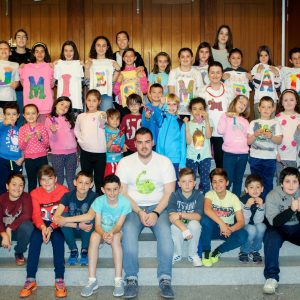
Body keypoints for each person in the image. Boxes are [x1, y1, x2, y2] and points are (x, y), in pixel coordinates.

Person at [116, 127, 176, 299]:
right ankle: (131, 279)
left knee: (165, 234)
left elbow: (169, 193)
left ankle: (165, 279)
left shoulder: (164, 162)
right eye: (140, 142)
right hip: (133, 208)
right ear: (134, 143)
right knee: (127, 233)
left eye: (147, 142)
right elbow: (123, 193)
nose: (143, 146)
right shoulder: (125, 162)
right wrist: (139, 211)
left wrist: (156, 213)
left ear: (153, 142)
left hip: (159, 207)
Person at [54, 174, 131, 298]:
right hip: (101, 231)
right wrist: (103, 234)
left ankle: (118, 280)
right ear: (103, 190)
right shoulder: (99, 201)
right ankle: (92, 280)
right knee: (94, 237)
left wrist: (111, 233)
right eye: (109, 190)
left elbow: (119, 225)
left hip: (115, 231)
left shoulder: (125, 203)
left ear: (120, 189)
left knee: (116, 239)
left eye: (115, 189)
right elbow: (97, 225)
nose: (112, 193)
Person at [19, 165, 69, 298]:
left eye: (50, 179)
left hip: (57, 224)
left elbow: (64, 214)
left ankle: (59, 279)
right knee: (35, 240)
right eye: (43, 180)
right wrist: (42, 228)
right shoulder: (35, 193)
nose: (47, 182)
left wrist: (51, 227)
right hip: (41, 223)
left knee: (58, 240)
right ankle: (30, 278)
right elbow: (35, 215)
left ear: (56, 179)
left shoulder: (64, 191)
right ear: (39, 181)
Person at [263, 167, 300, 294]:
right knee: (270, 236)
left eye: (295, 181)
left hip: (297, 227)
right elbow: (275, 222)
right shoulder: (272, 195)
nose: (291, 185)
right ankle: (271, 277)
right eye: (287, 181)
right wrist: (291, 210)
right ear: (281, 183)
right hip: (279, 228)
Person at [200, 168, 247, 267]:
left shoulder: (234, 198)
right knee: (205, 220)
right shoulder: (209, 194)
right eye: (214, 182)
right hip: (212, 229)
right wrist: (222, 224)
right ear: (211, 184)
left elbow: (241, 221)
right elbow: (207, 210)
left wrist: (230, 229)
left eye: (221, 181)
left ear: (227, 182)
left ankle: (218, 251)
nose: (217, 184)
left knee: (243, 235)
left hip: (227, 231)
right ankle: (206, 252)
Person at [53, 171, 97, 266]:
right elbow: (56, 217)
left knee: (90, 220)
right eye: (80, 182)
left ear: (91, 185)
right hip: (71, 229)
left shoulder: (94, 197)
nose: (83, 186)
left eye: (87, 183)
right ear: (75, 182)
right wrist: (77, 225)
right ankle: (73, 250)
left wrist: (65, 221)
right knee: (62, 216)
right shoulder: (67, 196)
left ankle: (85, 250)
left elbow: (90, 216)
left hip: (87, 229)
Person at [247, 96, 283, 199]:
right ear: (259, 108)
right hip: (255, 157)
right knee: (255, 183)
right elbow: (248, 141)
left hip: (270, 158)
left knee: (267, 182)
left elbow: (279, 141)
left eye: (269, 107)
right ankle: (255, 203)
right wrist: (255, 135)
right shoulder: (253, 123)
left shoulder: (275, 123)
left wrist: (271, 136)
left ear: (273, 109)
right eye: (263, 107)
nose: (266, 110)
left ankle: (266, 205)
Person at [167, 168, 203, 267]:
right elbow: (171, 217)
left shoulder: (199, 195)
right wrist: (183, 228)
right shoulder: (174, 195)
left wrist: (180, 214)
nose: (187, 184)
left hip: (192, 223)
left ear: (194, 183)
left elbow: (198, 216)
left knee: (195, 224)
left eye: (190, 181)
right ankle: (177, 253)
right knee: (174, 227)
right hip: (179, 224)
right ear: (179, 183)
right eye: (184, 181)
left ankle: (193, 254)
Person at [200, 61, 232, 168]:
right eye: (212, 72)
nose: (215, 75)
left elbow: (233, 110)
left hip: (222, 132)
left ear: (222, 74)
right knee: (203, 162)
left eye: (218, 72)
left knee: (220, 162)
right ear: (208, 74)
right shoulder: (201, 91)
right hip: (205, 131)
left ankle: (220, 183)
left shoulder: (229, 90)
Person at [74, 89, 106, 195]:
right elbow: (76, 130)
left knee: (99, 180)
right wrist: (80, 140)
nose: (91, 103)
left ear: (99, 102)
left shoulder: (102, 114)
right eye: (89, 100)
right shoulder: (80, 116)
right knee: (86, 179)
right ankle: (87, 200)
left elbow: (102, 126)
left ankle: (100, 202)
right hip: (86, 152)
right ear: (85, 101)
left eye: (94, 100)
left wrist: (100, 118)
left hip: (100, 152)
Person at [217, 95, 250, 197]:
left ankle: (236, 202)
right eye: (240, 102)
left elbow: (248, 137)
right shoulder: (226, 117)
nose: (242, 105)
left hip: (243, 155)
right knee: (228, 179)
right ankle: (224, 201)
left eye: (245, 105)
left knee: (238, 179)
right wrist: (225, 116)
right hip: (229, 154)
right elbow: (220, 130)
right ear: (234, 102)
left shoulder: (245, 121)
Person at [0, 174, 33, 265]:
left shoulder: (26, 197)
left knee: (28, 226)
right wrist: (4, 234)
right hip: (3, 232)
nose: (17, 188)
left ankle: (19, 252)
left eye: (21, 185)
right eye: (14, 184)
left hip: (19, 232)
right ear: (7, 186)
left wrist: (9, 228)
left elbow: (27, 215)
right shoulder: (1, 198)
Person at [45, 96, 77, 191]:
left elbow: (74, 135)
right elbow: (51, 139)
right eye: (62, 104)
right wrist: (53, 132)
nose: (64, 107)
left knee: (71, 178)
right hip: (57, 154)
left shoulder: (69, 119)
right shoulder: (49, 119)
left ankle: (72, 201)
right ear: (56, 104)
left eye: (67, 106)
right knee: (59, 178)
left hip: (71, 153)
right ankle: (58, 200)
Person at [19, 42, 54, 124]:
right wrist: (21, 69)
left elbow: (52, 85)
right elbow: (23, 84)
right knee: (32, 132)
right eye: (37, 51)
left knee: (45, 131)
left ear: (45, 54)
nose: (39, 54)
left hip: (45, 106)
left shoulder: (49, 67)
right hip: (30, 107)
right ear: (34, 54)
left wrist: (54, 70)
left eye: (42, 51)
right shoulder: (25, 67)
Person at [184, 97, 213, 194]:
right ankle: (191, 199)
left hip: (205, 156)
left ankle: (206, 201)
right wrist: (187, 125)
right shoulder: (188, 123)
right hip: (191, 156)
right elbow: (188, 142)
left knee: (205, 181)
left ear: (204, 110)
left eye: (200, 108)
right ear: (190, 110)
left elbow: (209, 135)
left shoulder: (208, 122)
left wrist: (207, 120)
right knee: (190, 180)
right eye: (194, 108)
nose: (197, 111)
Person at [154, 94, 186, 179]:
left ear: (178, 106)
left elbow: (183, 144)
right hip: (161, 158)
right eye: (169, 104)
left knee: (175, 184)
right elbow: (156, 116)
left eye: (174, 104)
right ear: (165, 105)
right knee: (163, 182)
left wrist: (182, 163)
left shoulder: (181, 123)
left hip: (175, 160)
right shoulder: (162, 119)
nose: (171, 107)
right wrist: (161, 104)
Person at [18, 104, 49, 192]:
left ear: (38, 114)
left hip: (42, 158)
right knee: (32, 182)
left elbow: (47, 145)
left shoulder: (42, 127)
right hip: (29, 159)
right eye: (28, 113)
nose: (31, 116)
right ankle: (32, 201)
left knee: (43, 181)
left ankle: (44, 201)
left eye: (33, 113)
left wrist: (40, 138)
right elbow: (21, 146)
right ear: (24, 115)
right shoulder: (22, 129)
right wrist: (26, 139)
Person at [85, 36, 120, 111]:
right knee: (92, 120)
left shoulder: (112, 63)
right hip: (92, 96)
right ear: (94, 47)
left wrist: (118, 70)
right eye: (98, 45)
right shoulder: (90, 62)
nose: (101, 48)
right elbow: (86, 81)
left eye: (104, 45)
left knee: (106, 120)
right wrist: (87, 68)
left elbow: (112, 82)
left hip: (106, 95)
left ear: (107, 47)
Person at [239, 174, 266, 263]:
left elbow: (257, 221)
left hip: (255, 224)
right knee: (251, 229)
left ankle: (255, 250)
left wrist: (261, 207)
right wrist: (247, 206)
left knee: (262, 226)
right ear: (246, 190)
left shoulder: (263, 200)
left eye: (258, 187)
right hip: (244, 225)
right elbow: (244, 221)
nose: (255, 190)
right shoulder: (242, 200)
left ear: (262, 189)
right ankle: (244, 251)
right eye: (251, 187)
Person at [168, 48, 202, 115]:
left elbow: (199, 92)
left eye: (188, 56)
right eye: (182, 57)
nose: (185, 59)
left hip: (193, 111)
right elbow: (171, 93)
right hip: (177, 111)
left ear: (192, 58)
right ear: (179, 59)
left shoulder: (197, 73)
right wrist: (174, 110)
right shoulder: (173, 72)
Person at [54, 41, 84, 116]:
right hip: (62, 104)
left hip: (75, 103)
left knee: (76, 126)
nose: (68, 53)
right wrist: (54, 66)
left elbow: (83, 83)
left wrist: (83, 66)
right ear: (63, 52)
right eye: (66, 51)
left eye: (71, 51)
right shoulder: (58, 64)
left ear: (74, 52)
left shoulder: (78, 64)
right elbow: (55, 81)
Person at [275, 89, 300, 179]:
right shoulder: (277, 118)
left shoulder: (299, 117)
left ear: (296, 101)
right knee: (281, 181)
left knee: (294, 182)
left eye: (291, 100)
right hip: (281, 157)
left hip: (295, 157)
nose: (288, 102)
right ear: (281, 103)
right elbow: (274, 137)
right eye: (285, 100)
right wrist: (276, 152)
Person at [251, 45, 280, 119]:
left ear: (269, 56)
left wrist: (276, 74)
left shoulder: (274, 68)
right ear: (258, 57)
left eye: (266, 55)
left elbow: (277, 87)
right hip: (259, 100)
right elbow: (256, 85)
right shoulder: (255, 68)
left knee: (271, 123)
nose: (263, 57)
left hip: (272, 100)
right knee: (259, 123)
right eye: (261, 55)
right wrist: (258, 72)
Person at [0, 102, 23, 195]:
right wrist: (4, 124)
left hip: (16, 161)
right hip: (2, 160)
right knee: (2, 185)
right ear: (4, 115)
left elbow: (24, 145)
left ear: (18, 116)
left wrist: (22, 157)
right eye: (8, 114)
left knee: (17, 185)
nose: (11, 116)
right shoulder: (2, 126)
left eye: (14, 114)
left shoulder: (21, 129)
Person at [9, 29, 31, 125]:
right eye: (18, 36)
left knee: (29, 115)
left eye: (24, 37)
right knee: (16, 115)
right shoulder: (9, 54)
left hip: (30, 91)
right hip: (14, 90)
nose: (21, 39)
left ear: (27, 39)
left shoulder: (32, 54)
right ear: (15, 39)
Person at [104, 108, 125, 177]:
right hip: (107, 161)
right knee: (108, 181)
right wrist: (111, 140)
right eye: (112, 119)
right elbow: (104, 149)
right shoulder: (103, 131)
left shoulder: (121, 134)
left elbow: (121, 148)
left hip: (118, 161)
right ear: (107, 120)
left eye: (117, 119)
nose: (115, 121)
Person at [0, 40, 19, 108]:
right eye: (1, 48)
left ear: (10, 52)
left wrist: (16, 84)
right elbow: (6, 81)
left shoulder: (15, 65)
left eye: (6, 48)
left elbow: (17, 81)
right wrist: (6, 82)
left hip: (10, 98)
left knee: (11, 118)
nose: (3, 50)